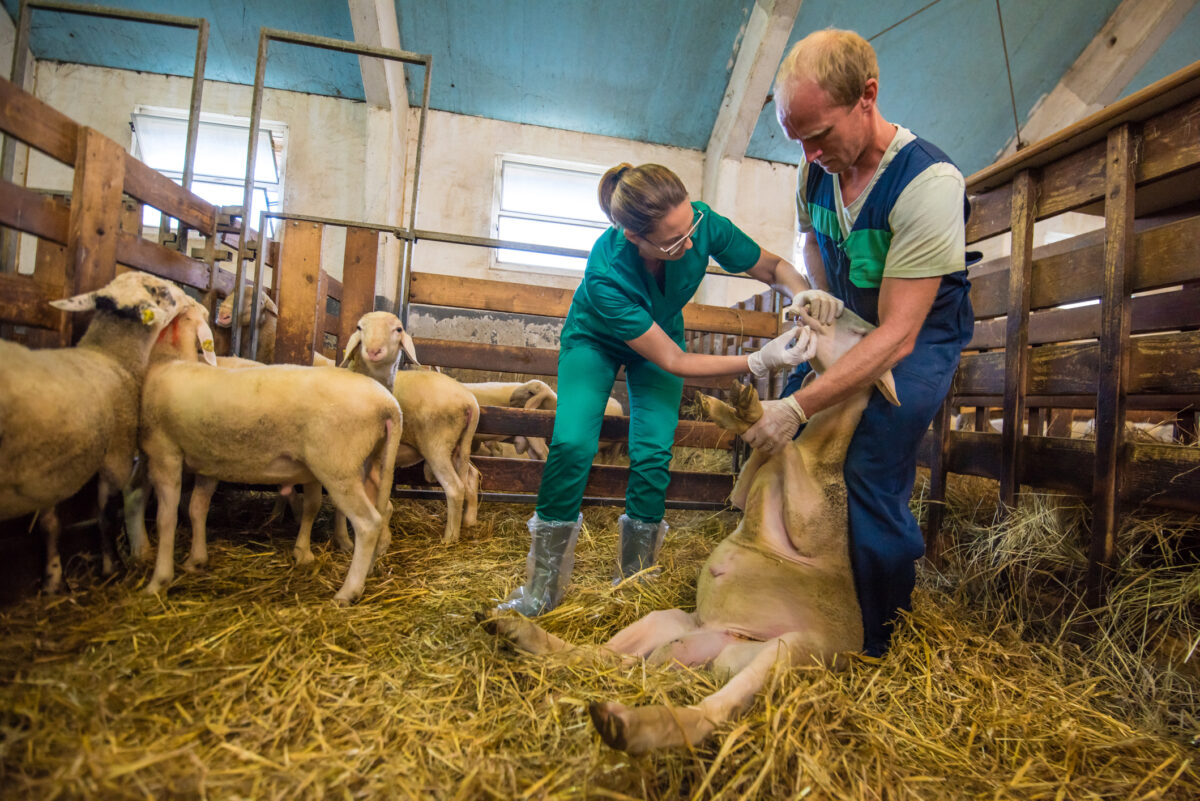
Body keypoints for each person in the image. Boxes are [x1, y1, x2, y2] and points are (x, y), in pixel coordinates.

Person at [498, 162, 833, 616]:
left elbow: (772, 265)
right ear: (634, 237)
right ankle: (542, 586)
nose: (690, 244)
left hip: (662, 331)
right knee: (573, 442)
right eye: (674, 241)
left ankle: (636, 578)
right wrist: (758, 360)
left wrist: (802, 293)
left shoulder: (700, 224)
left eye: (690, 228)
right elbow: (675, 362)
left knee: (654, 449)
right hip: (595, 339)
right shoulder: (606, 273)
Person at [744, 29, 977, 657]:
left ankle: (879, 637)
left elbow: (898, 336)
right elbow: (811, 239)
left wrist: (796, 404)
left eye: (819, 134)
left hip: (918, 337)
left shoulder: (927, 183)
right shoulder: (815, 169)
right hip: (851, 321)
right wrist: (823, 300)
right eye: (797, 139)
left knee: (869, 463)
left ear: (866, 97)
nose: (809, 152)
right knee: (789, 445)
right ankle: (791, 597)